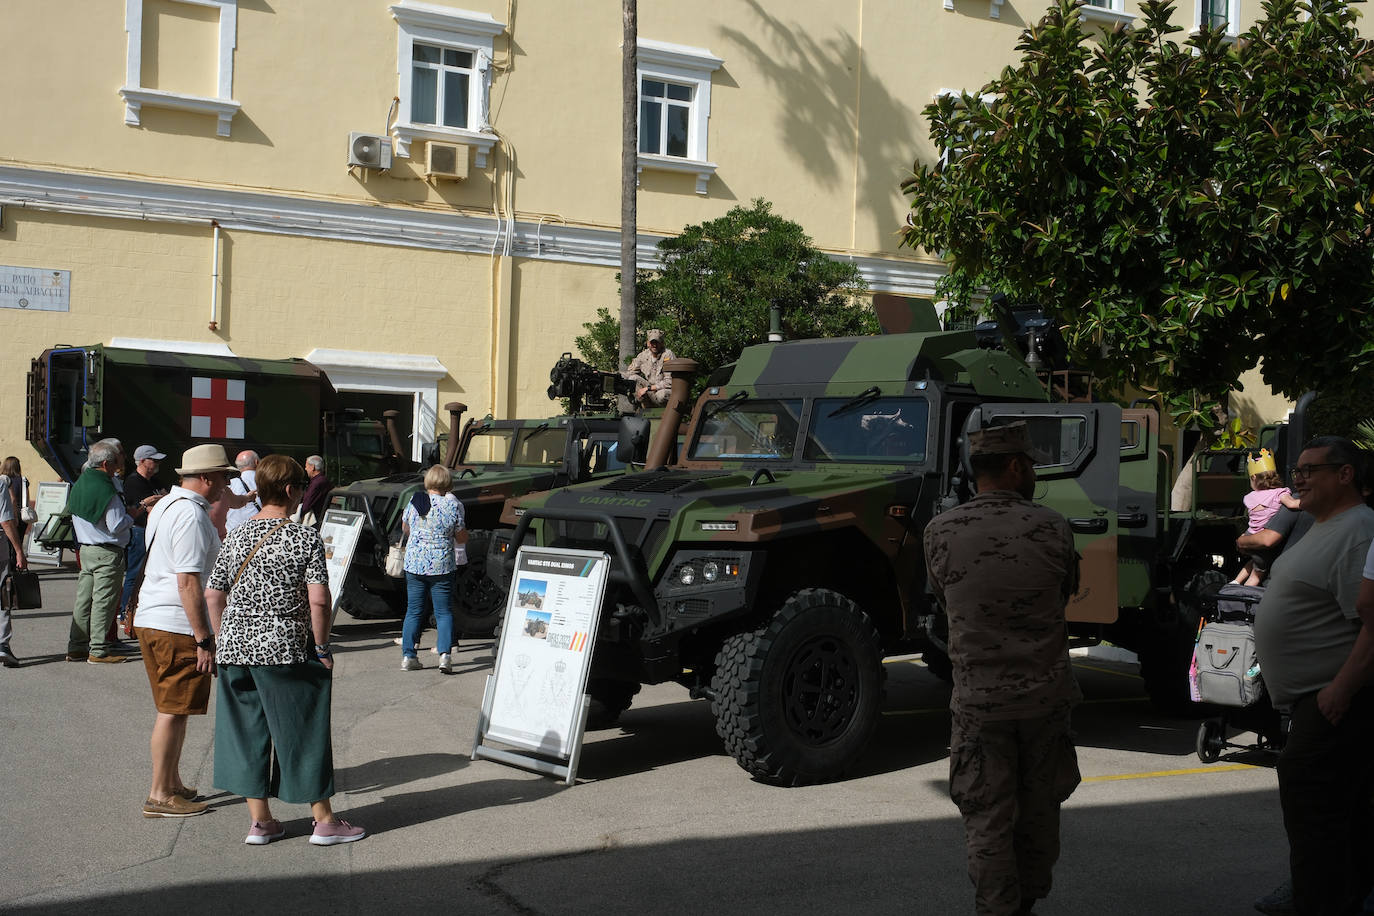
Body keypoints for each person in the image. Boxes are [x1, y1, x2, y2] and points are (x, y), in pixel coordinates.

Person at [922, 420, 1082, 916]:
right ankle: (1028, 900)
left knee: (988, 818)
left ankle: (996, 910)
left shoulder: (940, 530)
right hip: (1044, 700)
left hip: (979, 703)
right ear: (1015, 467)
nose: (1033, 472)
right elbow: (1064, 595)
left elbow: (945, 604)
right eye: (1030, 464)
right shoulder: (1053, 526)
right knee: (1039, 813)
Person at [205, 454, 365, 847]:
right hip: (284, 648)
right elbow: (319, 600)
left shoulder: (238, 535)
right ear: (293, 491)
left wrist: (224, 635)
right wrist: (323, 645)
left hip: (235, 649)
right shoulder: (303, 536)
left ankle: (261, 823)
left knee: (245, 732)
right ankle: (323, 820)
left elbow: (213, 593)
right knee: (303, 730)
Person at [1253, 437, 1374, 916]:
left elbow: (1369, 622)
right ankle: (1341, 892)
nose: (1297, 478)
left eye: (1309, 470)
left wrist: (1340, 690)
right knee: (1339, 811)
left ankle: (1319, 900)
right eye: (1296, 470)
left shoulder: (1359, 529)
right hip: (1314, 697)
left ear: (1345, 474)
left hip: (1334, 698)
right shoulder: (1324, 524)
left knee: (1312, 803)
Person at [134, 444, 233, 818]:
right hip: (176, 624)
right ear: (206, 477)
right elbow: (189, 582)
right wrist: (203, 638)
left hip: (155, 617)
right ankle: (159, 793)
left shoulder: (167, 505)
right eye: (223, 476)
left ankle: (170, 782)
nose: (225, 484)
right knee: (172, 710)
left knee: (174, 708)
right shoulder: (191, 516)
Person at [67, 438, 138, 663]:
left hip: (86, 550)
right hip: (107, 552)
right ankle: (98, 650)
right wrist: (134, 514)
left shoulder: (81, 482)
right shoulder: (107, 488)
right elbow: (116, 525)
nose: (120, 463)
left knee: (83, 602)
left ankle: (76, 647)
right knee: (103, 602)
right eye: (117, 460)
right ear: (106, 464)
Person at [399, 465, 464, 674]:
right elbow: (460, 537)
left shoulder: (415, 500)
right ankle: (445, 656)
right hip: (442, 565)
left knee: (414, 611)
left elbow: (405, 528)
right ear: (447, 483)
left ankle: (409, 656)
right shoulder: (452, 506)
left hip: (415, 564)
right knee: (443, 612)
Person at [1233, 449, 1300, 586]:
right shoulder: (1279, 493)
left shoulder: (1249, 497)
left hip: (1249, 534)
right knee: (1257, 574)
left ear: (1253, 478)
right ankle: (1244, 594)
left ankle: (1235, 582)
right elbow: (1292, 504)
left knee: (1252, 561)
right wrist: (1310, 501)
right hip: (1262, 537)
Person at [120, 445, 168, 616]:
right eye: (154, 460)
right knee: (135, 572)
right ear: (142, 461)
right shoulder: (134, 482)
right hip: (140, 531)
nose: (157, 463)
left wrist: (160, 500)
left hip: (151, 531)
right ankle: (125, 611)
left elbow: (167, 498)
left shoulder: (153, 480)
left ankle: (136, 608)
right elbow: (150, 508)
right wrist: (158, 501)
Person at [0, 461, 28, 668]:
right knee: (3, 596)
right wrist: (19, 550)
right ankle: (2, 644)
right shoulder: (1, 484)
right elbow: (6, 521)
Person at [623, 329, 677, 407]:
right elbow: (629, 374)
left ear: (662, 343)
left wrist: (648, 388)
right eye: (652, 342)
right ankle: (644, 407)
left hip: (662, 391)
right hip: (650, 392)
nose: (654, 345)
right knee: (633, 378)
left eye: (657, 342)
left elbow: (669, 382)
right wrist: (611, 375)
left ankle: (652, 409)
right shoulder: (643, 355)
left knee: (662, 395)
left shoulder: (668, 355)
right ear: (648, 343)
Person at [223, 450, 261, 535]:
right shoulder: (266, 483)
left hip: (233, 537)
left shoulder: (229, 485)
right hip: (260, 535)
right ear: (257, 462)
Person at [298, 456, 331, 529]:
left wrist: (297, 515)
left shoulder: (317, 483)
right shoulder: (322, 480)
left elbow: (307, 503)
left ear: (312, 467)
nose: (305, 469)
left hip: (315, 520)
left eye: (306, 466)